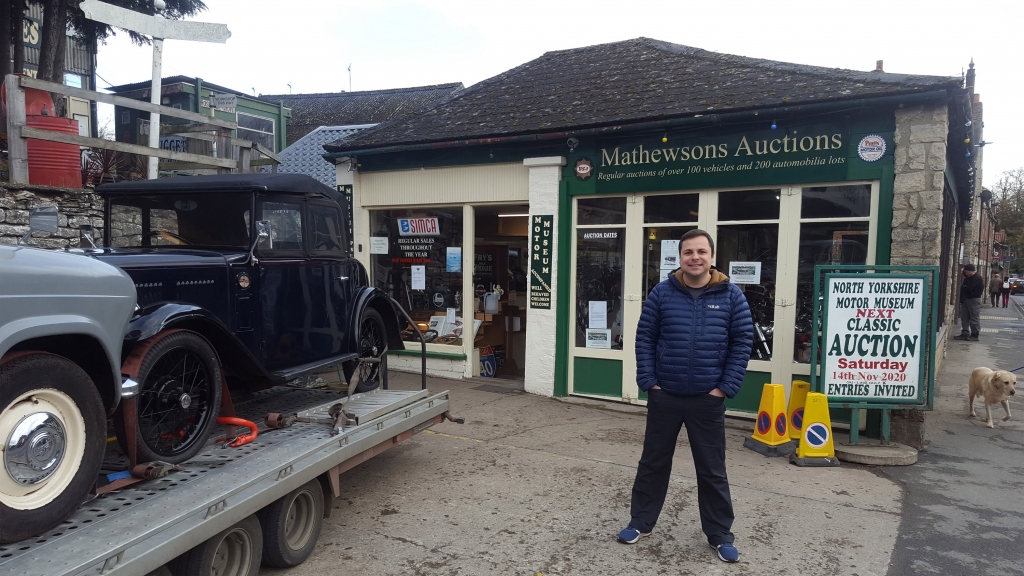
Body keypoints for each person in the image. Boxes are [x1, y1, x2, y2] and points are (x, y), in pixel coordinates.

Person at [619, 229, 753, 563]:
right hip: (665, 394)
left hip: (707, 398)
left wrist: (724, 387)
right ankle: (641, 522)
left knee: (712, 469)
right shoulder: (662, 293)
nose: (695, 257)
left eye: (701, 251)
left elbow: (742, 342)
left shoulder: (731, 295)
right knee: (653, 462)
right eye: (688, 252)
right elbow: (645, 337)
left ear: (712, 257)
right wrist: (650, 381)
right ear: (679, 257)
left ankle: (720, 534)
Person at [954, 264, 984, 341]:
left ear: (970, 271)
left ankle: (975, 334)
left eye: (966, 272)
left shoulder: (977, 278)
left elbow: (968, 288)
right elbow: (963, 288)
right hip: (966, 300)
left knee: (974, 318)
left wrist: (965, 288)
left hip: (973, 299)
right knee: (964, 317)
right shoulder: (968, 278)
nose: (965, 273)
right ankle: (965, 333)